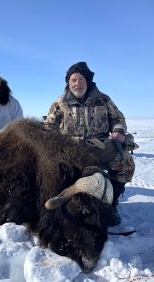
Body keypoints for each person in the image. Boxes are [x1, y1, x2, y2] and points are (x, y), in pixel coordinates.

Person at [43, 62, 136, 226]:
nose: (77, 84)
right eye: (73, 80)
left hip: (99, 147)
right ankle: (63, 204)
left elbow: (118, 120)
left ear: (88, 81)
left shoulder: (104, 100)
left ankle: (111, 204)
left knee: (125, 163)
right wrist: (53, 144)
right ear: (68, 83)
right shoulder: (60, 103)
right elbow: (49, 127)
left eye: (81, 79)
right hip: (70, 149)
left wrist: (118, 132)